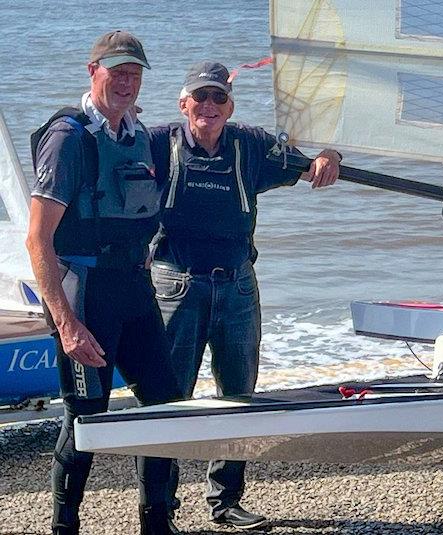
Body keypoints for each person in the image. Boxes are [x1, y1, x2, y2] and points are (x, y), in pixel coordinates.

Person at [147, 61, 340, 531]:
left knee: (239, 398)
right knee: (169, 401)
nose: (209, 107)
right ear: (183, 103)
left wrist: (330, 154)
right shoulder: (157, 143)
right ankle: (158, 511)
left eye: (218, 99)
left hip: (237, 285)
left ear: (230, 107)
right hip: (177, 285)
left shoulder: (250, 145)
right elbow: (107, 159)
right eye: (200, 98)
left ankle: (225, 502)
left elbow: (309, 160)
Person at [27, 30, 183, 535]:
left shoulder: (137, 134)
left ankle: (156, 521)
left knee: (165, 405)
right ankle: (63, 527)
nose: (126, 81)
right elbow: (37, 241)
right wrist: (67, 324)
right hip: (86, 295)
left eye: (135, 73)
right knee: (86, 419)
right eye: (116, 71)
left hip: (132, 290)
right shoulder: (69, 138)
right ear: (91, 70)